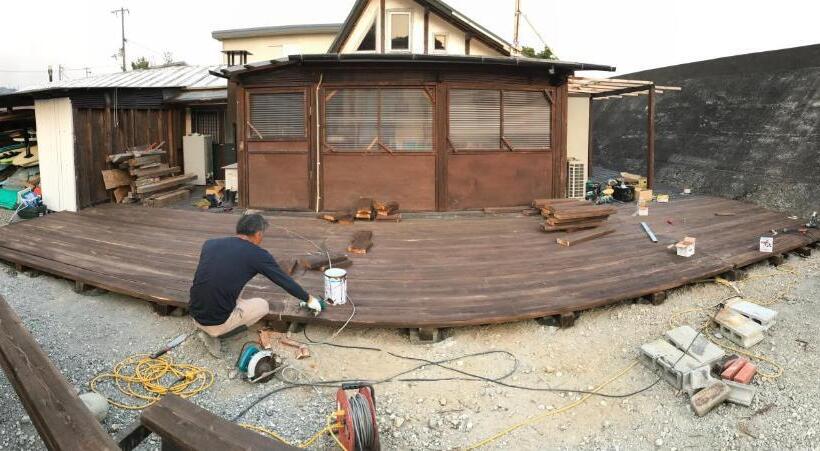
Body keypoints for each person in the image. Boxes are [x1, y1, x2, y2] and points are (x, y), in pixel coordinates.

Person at [189, 213, 323, 356]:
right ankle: (217, 334)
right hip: (216, 323)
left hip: (195, 313)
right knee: (263, 305)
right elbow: (284, 281)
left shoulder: (210, 244)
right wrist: (309, 299)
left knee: (225, 279)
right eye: (262, 235)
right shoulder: (258, 255)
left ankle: (213, 324)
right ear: (258, 234)